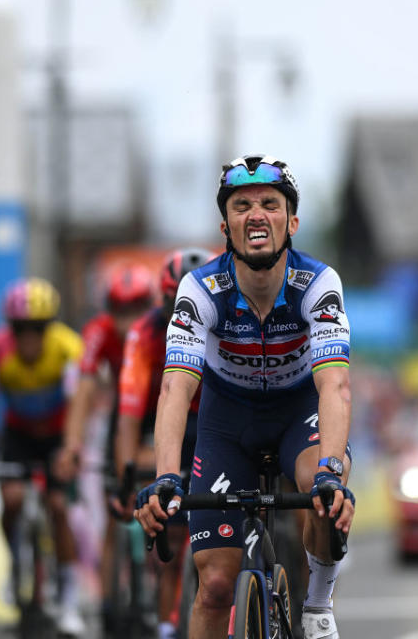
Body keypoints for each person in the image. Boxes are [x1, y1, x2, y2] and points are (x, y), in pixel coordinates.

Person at [134, 154, 355, 639]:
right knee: (214, 585)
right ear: (225, 225)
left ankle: (317, 605)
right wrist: (167, 475)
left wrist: (331, 472)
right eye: (242, 205)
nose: (256, 214)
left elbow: (334, 385)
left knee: (320, 491)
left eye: (270, 204)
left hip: (299, 412)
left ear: (292, 221)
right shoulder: (200, 288)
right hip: (226, 422)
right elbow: (175, 388)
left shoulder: (318, 284)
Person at [113, 247, 211, 639]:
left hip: (215, 419)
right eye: (176, 303)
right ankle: (169, 623)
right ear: (163, 301)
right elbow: (129, 412)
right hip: (170, 415)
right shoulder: (143, 334)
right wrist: (124, 476)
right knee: (171, 524)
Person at [54, 261, 156, 634]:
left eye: (137, 310)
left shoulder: (164, 328)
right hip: (124, 413)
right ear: (108, 311)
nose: (128, 322)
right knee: (117, 509)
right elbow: (82, 393)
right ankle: (108, 602)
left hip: (161, 409)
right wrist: (72, 445)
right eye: (120, 311)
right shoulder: (98, 332)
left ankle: (165, 589)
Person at [0, 277, 85, 634]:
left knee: (59, 507)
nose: (29, 337)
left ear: (49, 328)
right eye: (21, 329)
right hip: (18, 435)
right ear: (11, 329)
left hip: (57, 437)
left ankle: (68, 596)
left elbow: (80, 400)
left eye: (37, 329)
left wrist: (72, 447)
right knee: (12, 500)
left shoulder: (67, 347)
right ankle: (16, 566)